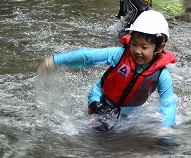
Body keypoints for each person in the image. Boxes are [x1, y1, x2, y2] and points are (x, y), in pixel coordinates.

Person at [39, 10, 178, 130]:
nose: (137, 50)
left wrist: (166, 129)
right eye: (134, 44)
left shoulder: (161, 74)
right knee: (101, 129)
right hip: (101, 99)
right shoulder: (119, 54)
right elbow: (88, 56)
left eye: (144, 47)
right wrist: (57, 60)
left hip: (128, 113)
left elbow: (168, 103)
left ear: (159, 48)